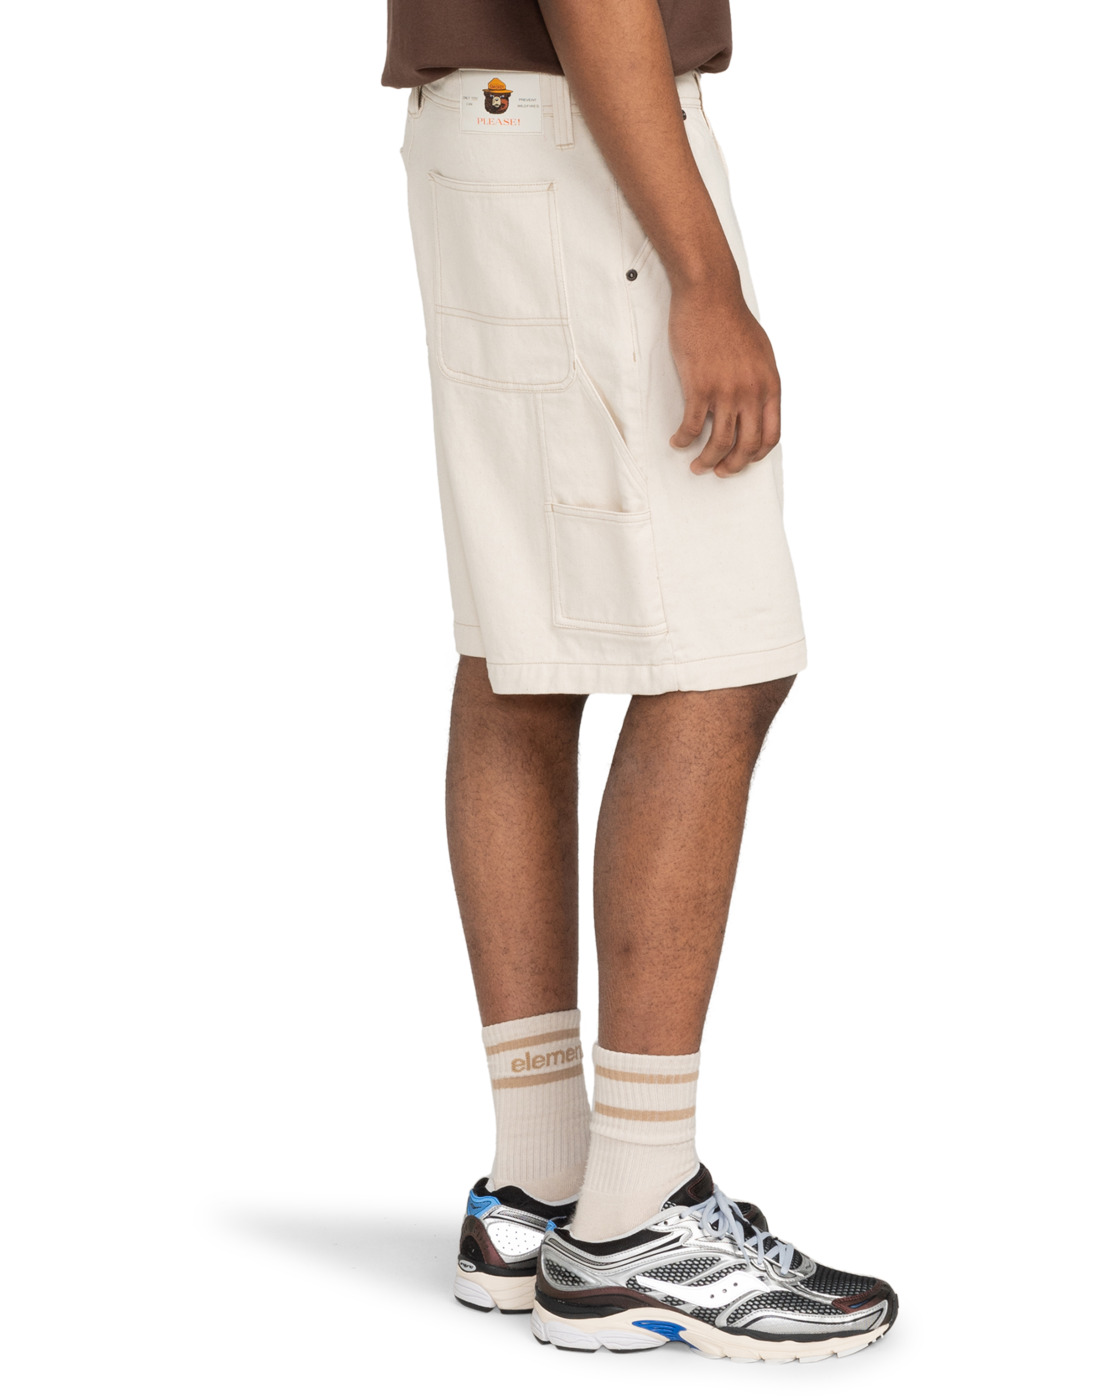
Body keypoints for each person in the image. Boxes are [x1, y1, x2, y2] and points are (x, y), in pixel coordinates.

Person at [383, 0, 897, 1362]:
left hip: (494, 134)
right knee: (721, 661)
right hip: (584, 145)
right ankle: (635, 1219)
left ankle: (539, 1189)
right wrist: (702, 275)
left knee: (522, 652)